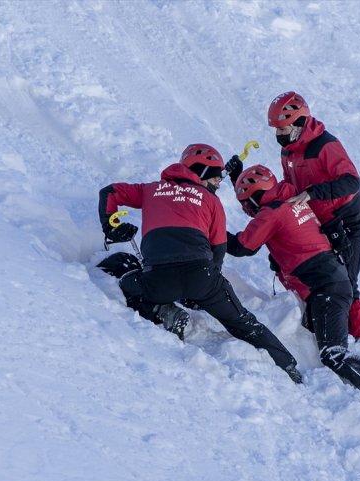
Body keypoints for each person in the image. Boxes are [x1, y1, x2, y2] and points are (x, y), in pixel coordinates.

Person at [98, 144, 302, 384]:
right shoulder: (211, 201)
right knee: (243, 322)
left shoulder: (151, 189)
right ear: (202, 173)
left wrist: (111, 228)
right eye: (215, 178)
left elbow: (109, 192)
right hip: (202, 276)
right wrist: (203, 290)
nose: (217, 183)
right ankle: (289, 367)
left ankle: (160, 310)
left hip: (159, 279)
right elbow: (218, 249)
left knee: (123, 272)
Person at [225, 164, 360, 392]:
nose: (246, 209)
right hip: (330, 284)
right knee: (319, 346)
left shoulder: (272, 212)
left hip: (326, 288)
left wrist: (207, 230)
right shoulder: (292, 200)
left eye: (246, 203)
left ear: (253, 199)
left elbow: (242, 246)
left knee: (332, 354)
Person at [265, 91, 360, 342]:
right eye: (277, 130)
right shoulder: (289, 152)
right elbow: (291, 187)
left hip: (348, 219)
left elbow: (351, 182)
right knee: (322, 277)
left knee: (347, 283)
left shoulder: (325, 145)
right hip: (322, 220)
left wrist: (314, 192)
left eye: (283, 128)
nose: (279, 135)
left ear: (300, 122)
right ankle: (323, 326)